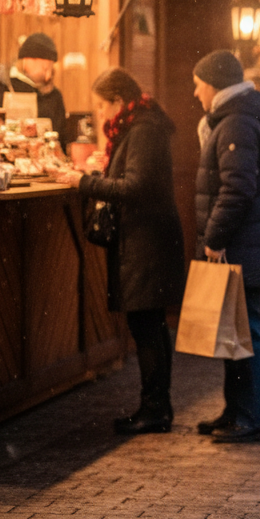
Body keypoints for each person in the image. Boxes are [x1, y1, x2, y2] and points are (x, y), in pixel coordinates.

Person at [54, 68, 185, 434]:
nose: (100, 114)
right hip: (149, 239)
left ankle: (155, 409)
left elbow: (136, 186)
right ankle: (157, 406)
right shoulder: (141, 127)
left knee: (146, 325)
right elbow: (134, 177)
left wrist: (85, 181)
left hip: (146, 242)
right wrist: (104, 169)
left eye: (101, 105)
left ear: (119, 102)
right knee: (150, 325)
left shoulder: (142, 130)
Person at [192, 50, 260, 444]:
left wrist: (215, 239)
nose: (195, 91)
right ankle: (236, 411)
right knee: (233, 330)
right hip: (246, 244)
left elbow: (237, 190)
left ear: (214, 84)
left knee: (245, 331)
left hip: (243, 246)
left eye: (198, 83)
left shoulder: (235, 124)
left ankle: (256, 418)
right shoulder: (234, 120)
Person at [0, 33, 72, 147]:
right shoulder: (2, 85)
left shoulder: (54, 96)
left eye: (50, 69)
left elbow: (61, 138)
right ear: (28, 59)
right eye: (44, 68)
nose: (47, 76)